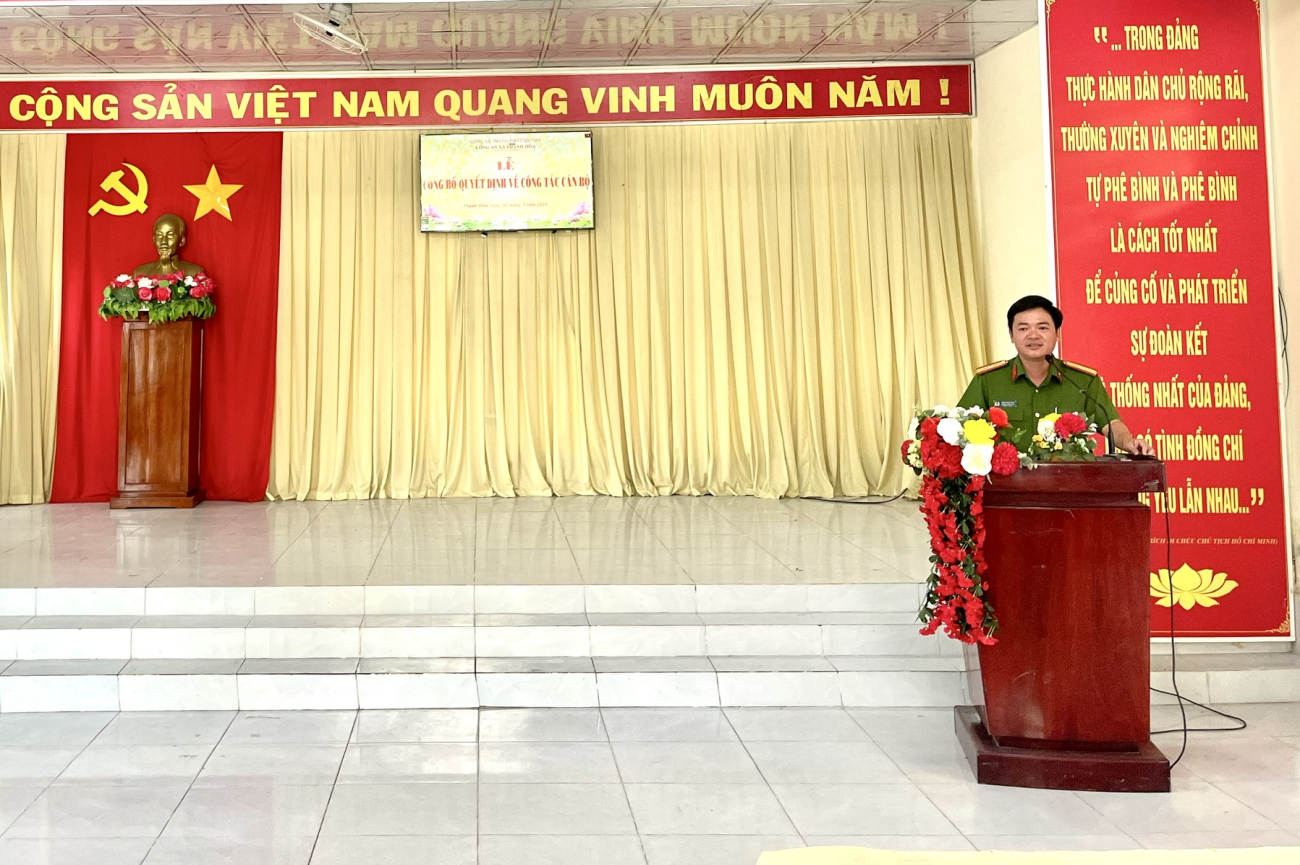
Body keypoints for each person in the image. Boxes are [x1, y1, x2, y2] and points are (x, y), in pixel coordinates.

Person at [958, 295, 1155, 455]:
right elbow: (959, 428)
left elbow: (1111, 424)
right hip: (1006, 486)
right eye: (1023, 328)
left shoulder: (1082, 380)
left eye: (1042, 328)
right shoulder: (989, 380)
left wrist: (1128, 441)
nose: (1033, 335)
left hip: (1068, 486)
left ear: (1057, 333)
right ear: (1011, 335)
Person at [132, 213, 204, 278]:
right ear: (154, 240)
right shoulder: (140, 273)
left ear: (182, 240)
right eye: (159, 235)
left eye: (170, 235)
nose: (164, 241)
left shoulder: (194, 273)